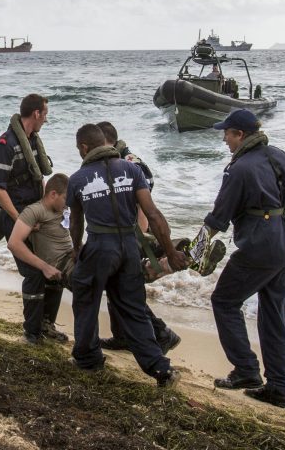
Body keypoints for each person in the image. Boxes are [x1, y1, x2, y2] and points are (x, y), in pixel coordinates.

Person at [206, 108, 285, 409]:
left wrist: (193, 253)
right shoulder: (281, 155)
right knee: (273, 313)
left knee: (224, 302)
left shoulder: (239, 168)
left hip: (260, 246)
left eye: (227, 133)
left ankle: (246, 370)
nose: (224, 139)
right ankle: (279, 388)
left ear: (240, 135)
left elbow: (218, 218)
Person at [68, 123, 187, 387]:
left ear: (85, 147)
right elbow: (153, 215)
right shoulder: (132, 169)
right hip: (129, 246)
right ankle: (161, 369)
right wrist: (170, 251)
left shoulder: (77, 178)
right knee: (133, 309)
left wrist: (77, 251)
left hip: (99, 245)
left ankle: (88, 359)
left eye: (79, 148)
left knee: (86, 299)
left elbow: (76, 224)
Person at [95, 121, 179, 353]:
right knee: (117, 284)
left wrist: (138, 238)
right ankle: (121, 335)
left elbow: (142, 205)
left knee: (126, 287)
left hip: (135, 234)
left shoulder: (129, 163)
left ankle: (162, 334)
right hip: (124, 232)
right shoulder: (114, 160)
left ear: (104, 141)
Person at [0, 93, 53, 344]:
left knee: (52, 269)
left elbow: (38, 177)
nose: (46, 118)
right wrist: (19, 218)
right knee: (34, 273)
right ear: (36, 114)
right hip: (17, 217)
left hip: (35, 214)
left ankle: (46, 326)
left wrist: (47, 211)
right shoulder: (7, 143)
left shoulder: (32, 141)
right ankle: (32, 334)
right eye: (45, 113)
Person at [6, 173, 73, 343]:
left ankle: (46, 325)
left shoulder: (63, 209)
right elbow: (14, 243)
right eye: (66, 198)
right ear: (53, 194)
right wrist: (45, 267)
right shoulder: (35, 211)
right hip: (58, 262)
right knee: (90, 285)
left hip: (72, 257)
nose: (69, 202)